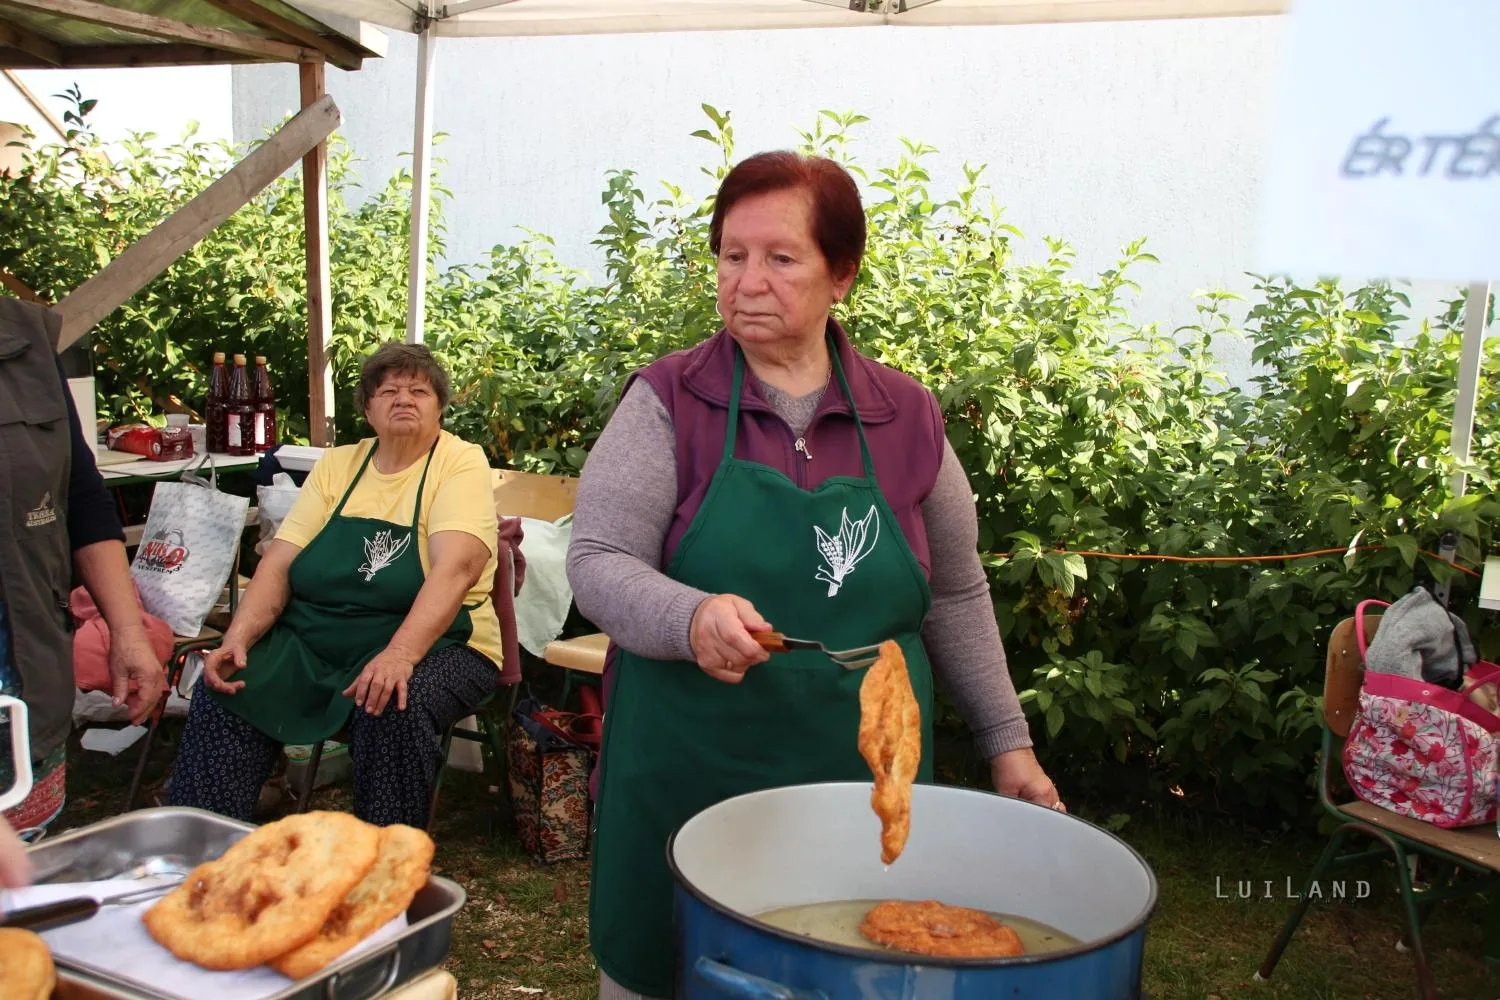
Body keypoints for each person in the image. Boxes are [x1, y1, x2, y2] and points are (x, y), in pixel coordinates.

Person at [566, 151, 1063, 1000]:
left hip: (861, 779)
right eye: (732, 255)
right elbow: (599, 563)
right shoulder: (668, 401)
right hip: (687, 772)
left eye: (780, 258)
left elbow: (955, 593)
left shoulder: (906, 415)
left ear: (843, 275)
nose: (747, 282)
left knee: (857, 969)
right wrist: (689, 619)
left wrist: (1007, 743)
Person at [166, 342, 503, 828]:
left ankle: (384, 871)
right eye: (388, 391)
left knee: (392, 701)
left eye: (418, 391)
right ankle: (202, 854)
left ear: (440, 408)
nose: (404, 399)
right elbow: (279, 563)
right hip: (319, 637)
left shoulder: (459, 461)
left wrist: (398, 656)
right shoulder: (339, 465)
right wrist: (237, 637)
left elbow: (458, 569)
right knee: (229, 686)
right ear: (368, 410)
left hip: (441, 641)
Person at [0, 298, 167, 838]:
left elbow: (83, 496)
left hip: (23, 660)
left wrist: (128, 632)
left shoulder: (23, 339)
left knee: (25, 874)